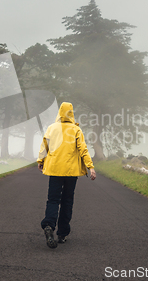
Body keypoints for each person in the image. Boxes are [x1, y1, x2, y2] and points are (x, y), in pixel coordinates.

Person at [37, 102, 96, 249]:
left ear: (60, 113)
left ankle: (49, 225)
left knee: (53, 199)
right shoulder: (76, 130)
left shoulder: (52, 128)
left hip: (55, 170)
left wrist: (41, 160)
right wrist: (90, 167)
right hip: (71, 172)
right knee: (67, 201)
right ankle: (62, 234)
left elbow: (44, 145)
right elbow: (83, 149)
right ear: (71, 113)